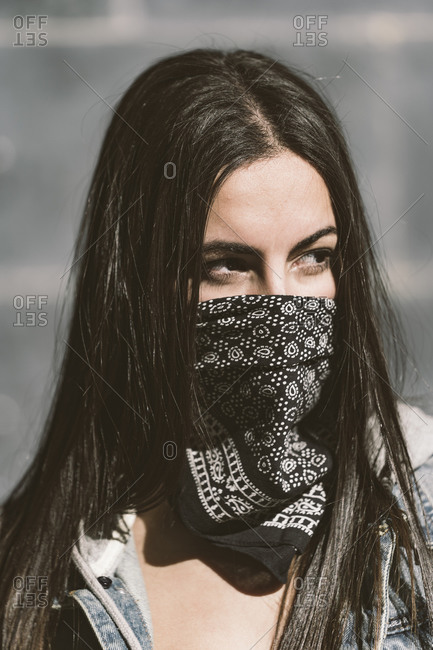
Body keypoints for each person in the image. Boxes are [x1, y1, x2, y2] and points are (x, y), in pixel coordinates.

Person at [1, 47, 433, 650]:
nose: (281, 304)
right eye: (227, 266)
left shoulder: (417, 515)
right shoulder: (34, 576)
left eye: (314, 257)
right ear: (137, 283)